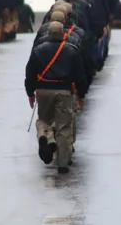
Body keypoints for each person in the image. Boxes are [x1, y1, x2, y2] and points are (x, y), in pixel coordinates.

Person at [24, 21, 88, 174]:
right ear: (62, 33)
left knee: (43, 120)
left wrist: (30, 93)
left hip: (43, 91)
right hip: (64, 91)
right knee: (63, 127)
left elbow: (30, 73)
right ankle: (62, 163)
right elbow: (79, 76)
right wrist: (81, 95)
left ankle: (45, 136)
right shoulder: (71, 51)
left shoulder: (38, 50)